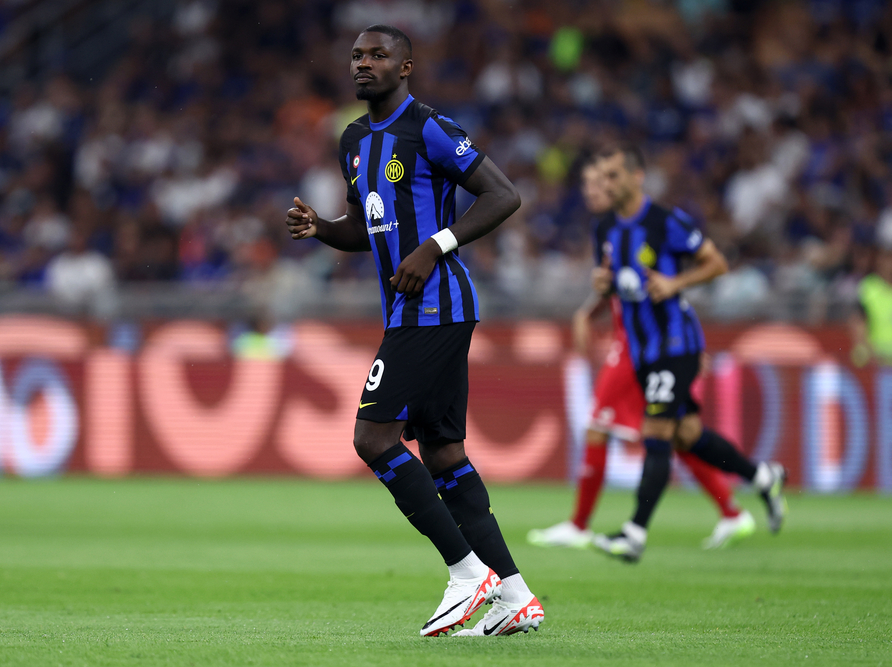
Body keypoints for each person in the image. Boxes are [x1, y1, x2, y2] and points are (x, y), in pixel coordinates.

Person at [284, 25, 543, 637]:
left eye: (378, 55)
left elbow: (503, 195)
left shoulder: (429, 127)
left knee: (372, 438)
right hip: (412, 311)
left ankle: (466, 573)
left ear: (405, 67)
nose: (364, 64)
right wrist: (322, 228)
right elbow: (365, 226)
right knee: (444, 453)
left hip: (436, 306)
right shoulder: (353, 139)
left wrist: (434, 245)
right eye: (357, 55)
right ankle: (514, 595)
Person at [527, 160, 755, 551]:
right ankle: (732, 511)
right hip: (635, 344)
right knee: (677, 434)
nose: (592, 190)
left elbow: (665, 289)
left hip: (641, 348)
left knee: (603, 426)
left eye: (599, 182)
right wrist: (588, 310)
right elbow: (619, 287)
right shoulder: (605, 230)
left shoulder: (648, 225)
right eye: (588, 184)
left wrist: (690, 346)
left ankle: (581, 525)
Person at [586, 144, 788, 563]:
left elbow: (716, 263)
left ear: (637, 177)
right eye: (602, 177)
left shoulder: (665, 221)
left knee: (656, 432)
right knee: (687, 434)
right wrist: (603, 285)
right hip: (642, 351)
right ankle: (761, 476)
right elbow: (617, 284)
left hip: (676, 344)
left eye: (614, 175)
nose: (607, 184)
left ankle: (634, 534)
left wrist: (676, 284)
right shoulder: (605, 229)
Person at [850, 247, 892, 367]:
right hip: (875, 359)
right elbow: (858, 321)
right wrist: (865, 347)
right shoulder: (868, 287)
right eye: (888, 258)